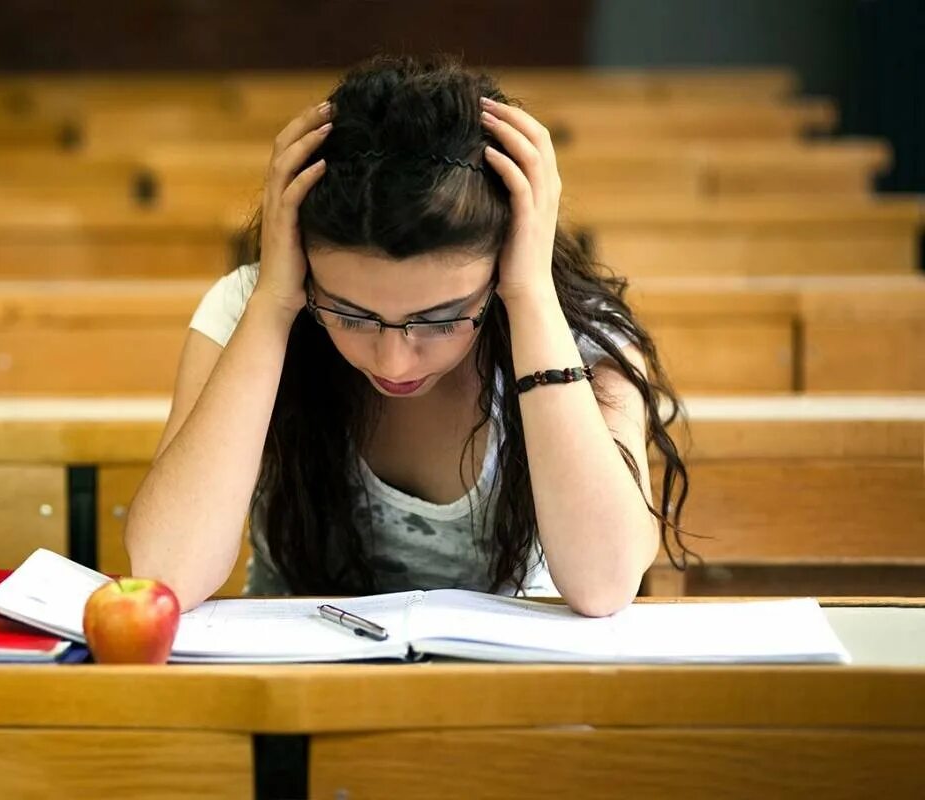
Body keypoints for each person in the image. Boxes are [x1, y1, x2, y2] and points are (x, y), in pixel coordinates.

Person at [124, 55, 691, 617]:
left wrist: (532, 295)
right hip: (293, 692)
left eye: (440, 318)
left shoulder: (581, 338)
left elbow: (605, 583)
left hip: (518, 694)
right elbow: (166, 573)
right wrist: (275, 303)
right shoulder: (248, 309)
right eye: (349, 314)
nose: (394, 361)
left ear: (502, 267)